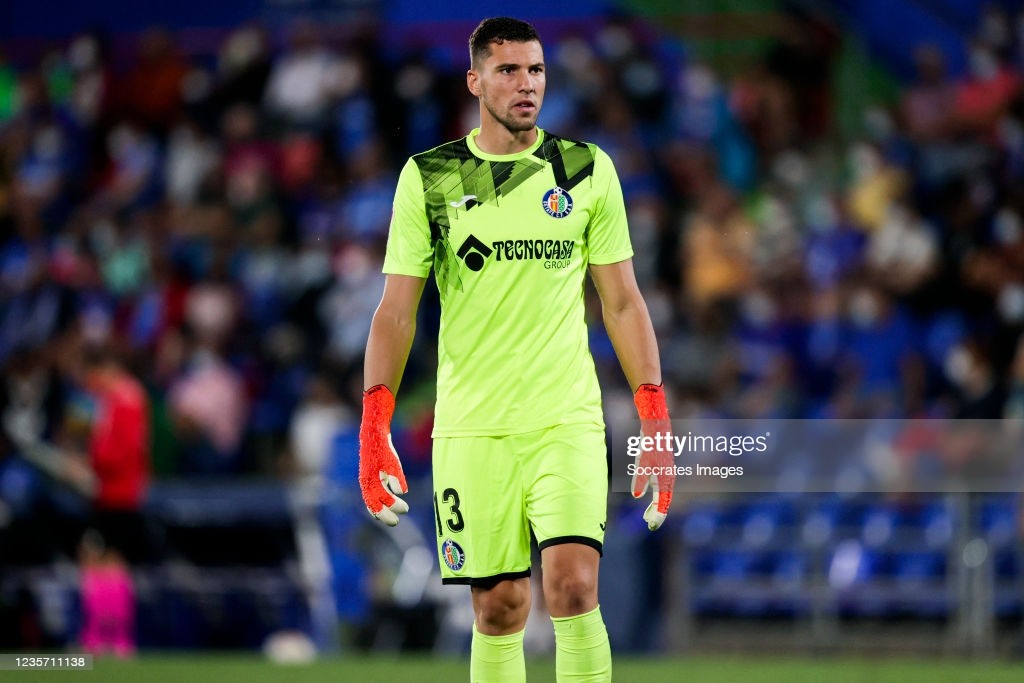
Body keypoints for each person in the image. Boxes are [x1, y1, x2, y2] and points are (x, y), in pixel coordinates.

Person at [357, 17, 674, 682]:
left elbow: (622, 301)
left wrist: (653, 411)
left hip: (568, 417)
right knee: (499, 607)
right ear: (475, 80)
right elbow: (395, 311)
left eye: (535, 70)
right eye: (508, 70)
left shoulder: (585, 170)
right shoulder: (431, 177)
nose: (526, 84)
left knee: (572, 588)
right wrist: (375, 422)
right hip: (473, 427)